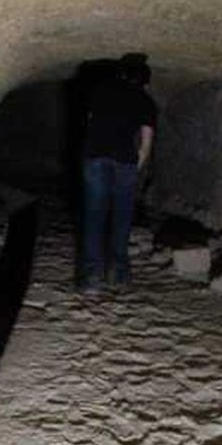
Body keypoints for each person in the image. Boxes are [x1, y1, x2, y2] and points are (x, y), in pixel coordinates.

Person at [77, 53, 157, 291]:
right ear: (145, 81)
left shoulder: (100, 91)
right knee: (122, 216)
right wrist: (136, 165)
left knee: (94, 215)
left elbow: (90, 123)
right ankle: (119, 274)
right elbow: (146, 143)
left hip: (95, 157)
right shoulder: (146, 101)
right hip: (125, 162)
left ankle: (91, 278)